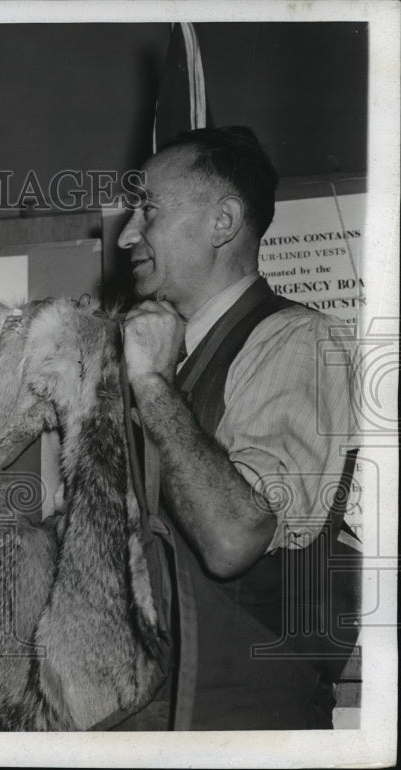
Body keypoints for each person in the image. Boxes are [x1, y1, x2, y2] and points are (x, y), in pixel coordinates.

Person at [116, 126, 359, 729]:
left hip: (242, 719)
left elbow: (233, 537)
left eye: (147, 210)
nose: (126, 235)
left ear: (223, 221)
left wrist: (150, 384)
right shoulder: (157, 354)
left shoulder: (300, 341)